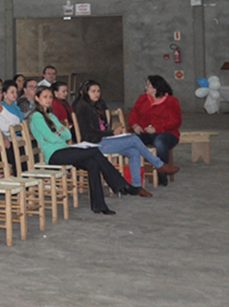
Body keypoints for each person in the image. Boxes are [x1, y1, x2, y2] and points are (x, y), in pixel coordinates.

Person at [28, 87, 129, 215]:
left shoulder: (51, 115)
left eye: (50, 97)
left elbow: (68, 135)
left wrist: (58, 134)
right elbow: (51, 138)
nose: (48, 100)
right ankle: (119, 183)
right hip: (54, 155)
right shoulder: (37, 116)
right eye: (45, 97)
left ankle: (99, 205)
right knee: (94, 151)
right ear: (37, 98)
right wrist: (58, 134)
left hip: (65, 150)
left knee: (93, 163)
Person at [74, 81, 178, 196]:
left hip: (103, 140)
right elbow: (88, 132)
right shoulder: (83, 108)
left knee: (134, 151)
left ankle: (137, 186)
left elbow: (102, 128)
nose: (96, 94)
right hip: (94, 144)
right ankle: (159, 165)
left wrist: (113, 132)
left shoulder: (96, 105)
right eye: (93, 91)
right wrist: (112, 132)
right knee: (133, 139)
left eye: (98, 91)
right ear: (85, 92)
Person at [128, 75, 182, 186]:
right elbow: (134, 114)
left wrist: (157, 128)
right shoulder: (142, 99)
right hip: (145, 133)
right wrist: (135, 125)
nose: (146, 87)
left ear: (156, 88)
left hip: (167, 133)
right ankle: (135, 174)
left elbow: (176, 121)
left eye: (148, 85)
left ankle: (162, 172)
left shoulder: (171, 101)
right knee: (132, 140)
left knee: (160, 142)